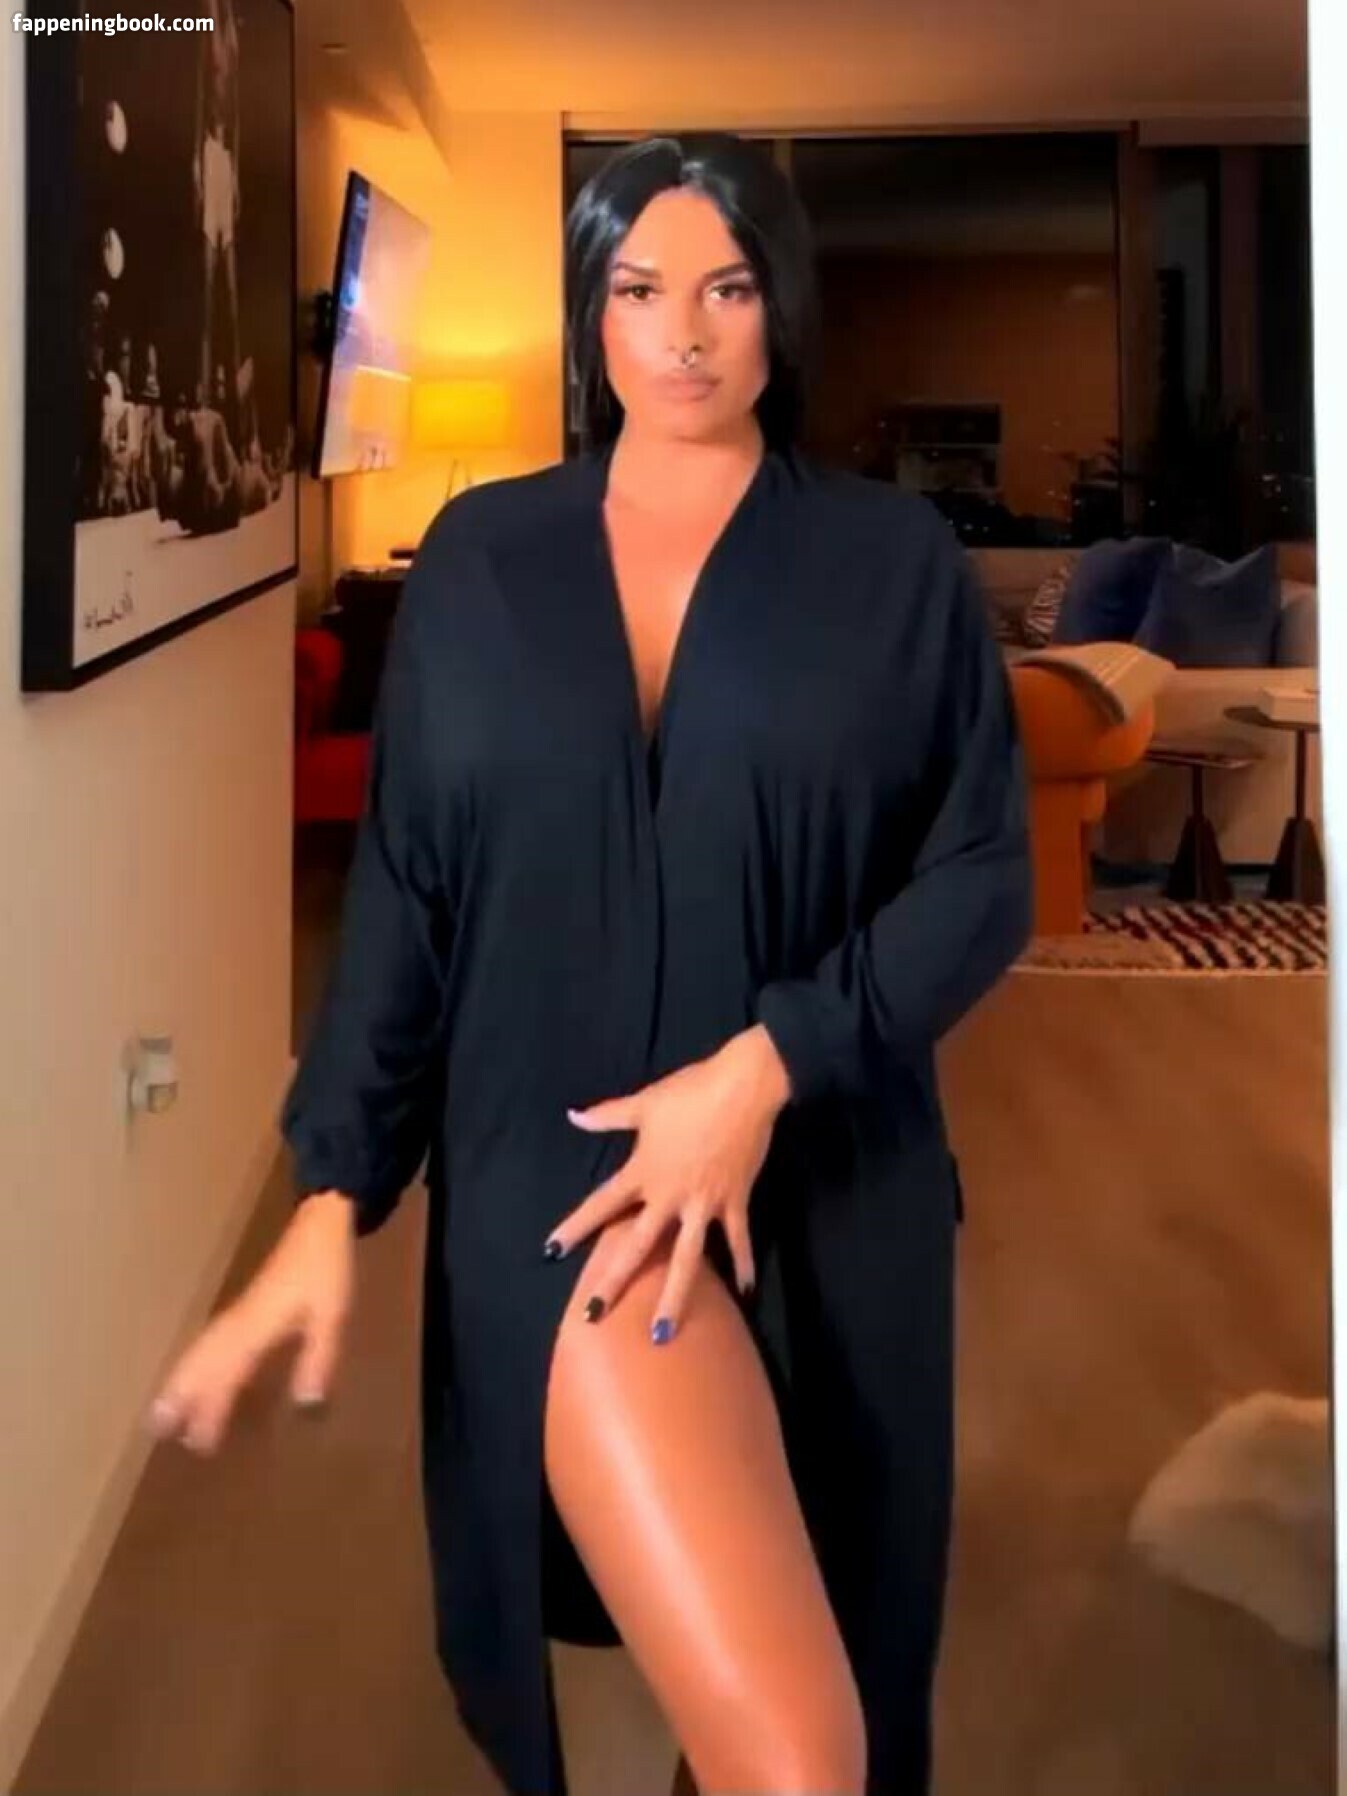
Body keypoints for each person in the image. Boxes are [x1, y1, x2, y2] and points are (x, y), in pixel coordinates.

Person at [148, 133, 1033, 1796]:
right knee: (799, 1757)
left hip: (834, 1182)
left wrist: (766, 1066)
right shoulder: (480, 559)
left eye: (727, 288)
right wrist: (330, 1201)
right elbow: (409, 896)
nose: (681, 335)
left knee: (830, 1660)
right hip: (576, 1190)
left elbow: (983, 876)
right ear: (589, 312)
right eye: (637, 290)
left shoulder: (891, 564)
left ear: (782, 307)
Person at [194, 0, 241, 445]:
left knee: (229, 297)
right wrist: (197, 164)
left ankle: (231, 406)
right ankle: (204, 394)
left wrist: (236, 174)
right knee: (208, 292)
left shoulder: (232, 37)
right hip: (210, 153)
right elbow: (199, 95)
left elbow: (237, 112)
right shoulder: (206, 28)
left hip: (224, 158)